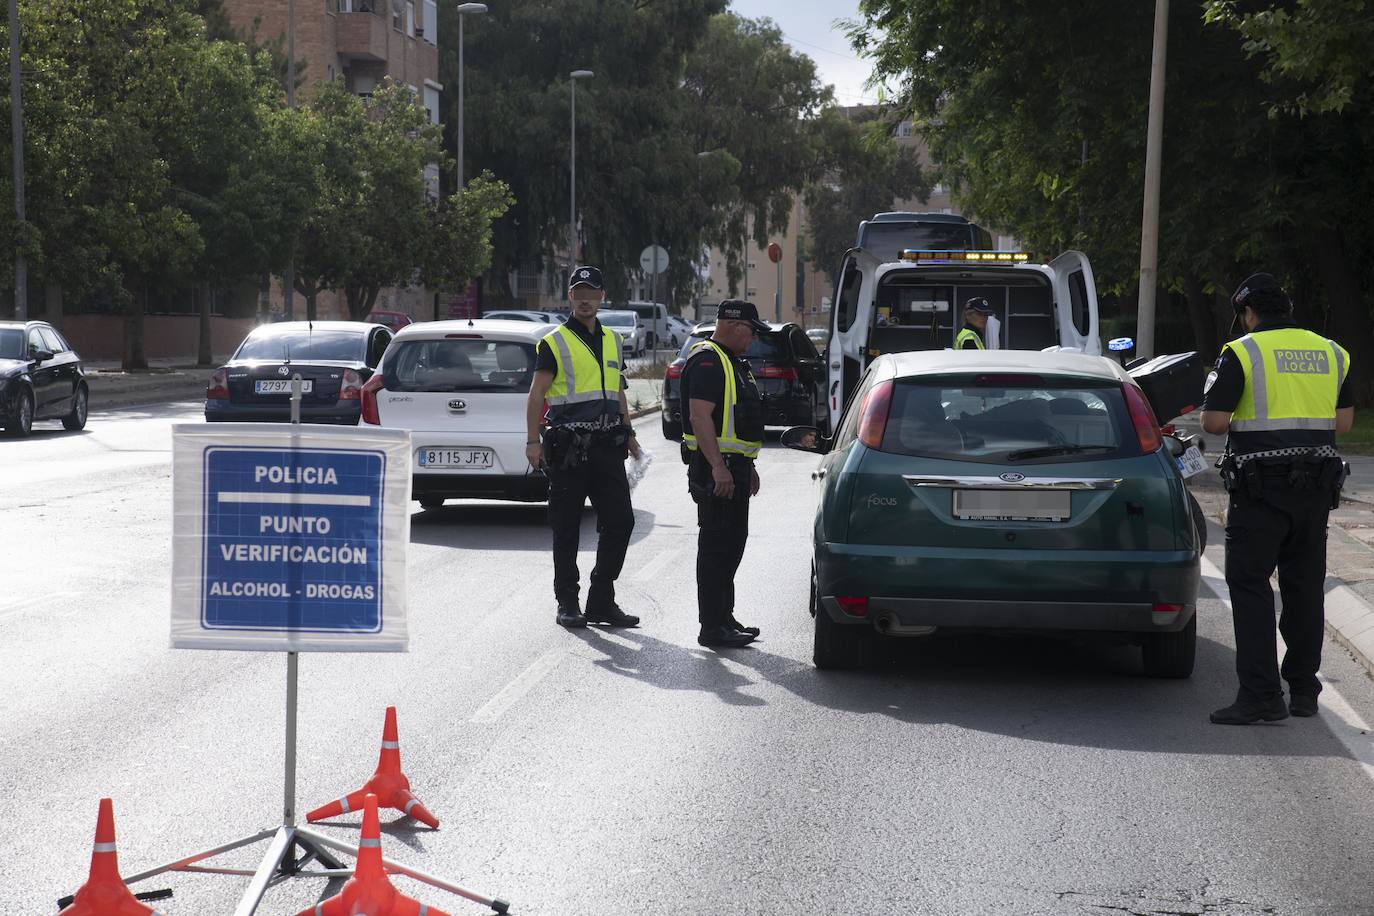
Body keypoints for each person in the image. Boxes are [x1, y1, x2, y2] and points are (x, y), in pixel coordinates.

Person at [1200, 272, 1354, 725]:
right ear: (1287, 308)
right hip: (1316, 487)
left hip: (1260, 489)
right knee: (1304, 587)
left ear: (1248, 313)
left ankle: (1261, 696)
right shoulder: (1332, 351)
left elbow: (1213, 422)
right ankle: (1304, 691)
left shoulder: (1242, 351)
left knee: (1250, 585)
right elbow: (1343, 424)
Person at [526, 266, 644, 629]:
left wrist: (629, 433)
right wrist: (532, 441)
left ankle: (601, 600)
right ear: (570, 297)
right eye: (579, 293)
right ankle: (568, 602)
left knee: (621, 521)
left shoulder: (613, 340)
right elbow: (536, 395)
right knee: (567, 529)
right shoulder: (554, 342)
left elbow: (618, 390)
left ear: (602, 296)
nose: (585, 300)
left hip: (607, 447)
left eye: (592, 293)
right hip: (569, 449)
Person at [682, 300, 768, 648]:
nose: (753, 339)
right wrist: (718, 466)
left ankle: (724, 617)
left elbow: (737, 420)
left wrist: (750, 465)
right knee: (716, 547)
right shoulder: (708, 361)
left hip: (735, 467)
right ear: (734, 326)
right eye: (751, 331)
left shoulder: (731, 361)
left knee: (732, 544)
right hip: (716, 469)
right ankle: (712, 626)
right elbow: (699, 417)